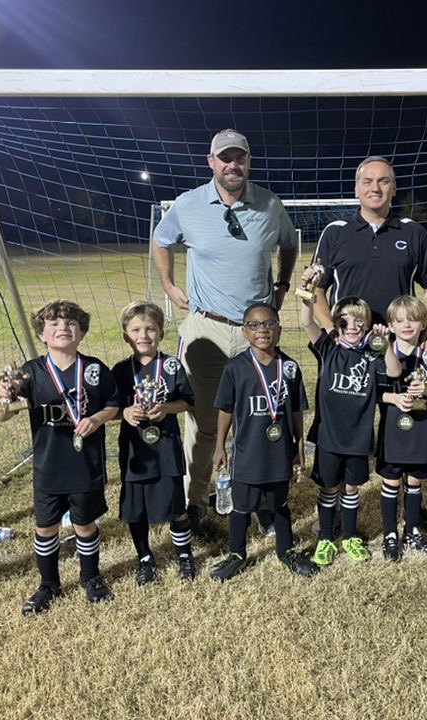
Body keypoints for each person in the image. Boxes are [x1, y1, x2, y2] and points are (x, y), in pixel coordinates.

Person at [152, 129, 298, 537]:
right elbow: (161, 240)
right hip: (207, 329)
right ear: (211, 162)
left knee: (262, 417)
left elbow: (289, 244)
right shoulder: (188, 204)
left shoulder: (270, 204)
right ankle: (194, 502)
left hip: (257, 332)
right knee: (202, 422)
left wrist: (282, 284)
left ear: (248, 161)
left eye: (240, 158)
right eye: (225, 158)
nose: (233, 165)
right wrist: (168, 284)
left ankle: (264, 502)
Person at [309, 155, 427, 533]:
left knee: (402, 424)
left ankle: (410, 506)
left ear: (393, 188)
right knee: (339, 425)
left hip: (394, 350)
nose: (375, 187)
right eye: (368, 181)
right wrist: (332, 331)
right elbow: (317, 289)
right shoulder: (335, 232)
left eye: (383, 181)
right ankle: (333, 509)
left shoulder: (413, 232)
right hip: (347, 350)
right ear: (356, 188)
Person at [0, 300, 120, 614]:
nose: (63, 328)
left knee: (84, 524)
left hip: (85, 465)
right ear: (42, 335)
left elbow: (113, 404)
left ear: (82, 332)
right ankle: (48, 584)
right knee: (46, 528)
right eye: (54, 324)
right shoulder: (30, 372)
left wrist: (97, 419)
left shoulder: (94, 369)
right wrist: (4, 398)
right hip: (49, 466)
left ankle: (91, 577)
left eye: (70, 323)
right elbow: (3, 415)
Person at [210, 302, 316, 581]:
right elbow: (225, 409)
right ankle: (237, 554)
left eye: (269, 324)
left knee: (279, 503)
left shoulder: (289, 368)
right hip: (248, 453)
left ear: (279, 330)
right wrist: (220, 446)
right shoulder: (235, 367)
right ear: (244, 332)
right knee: (242, 506)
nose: (262, 330)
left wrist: (299, 445)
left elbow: (296, 410)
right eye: (254, 325)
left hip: (279, 452)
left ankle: (286, 552)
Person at [298, 284, 401, 567]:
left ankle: (350, 536)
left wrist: (386, 345)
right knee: (329, 488)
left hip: (358, 437)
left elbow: (394, 372)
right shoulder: (328, 350)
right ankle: (325, 538)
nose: (352, 327)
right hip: (329, 436)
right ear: (336, 323)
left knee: (352, 489)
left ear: (367, 325)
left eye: (359, 322)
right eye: (344, 321)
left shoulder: (372, 355)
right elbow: (306, 321)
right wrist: (307, 290)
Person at [113, 301, 197, 585]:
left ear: (161, 333)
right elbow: (111, 408)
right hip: (135, 452)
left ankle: (184, 554)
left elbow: (187, 402)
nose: (144, 335)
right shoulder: (121, 370)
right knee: (136, 509)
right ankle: (145, 557)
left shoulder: (172, 366)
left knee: (176, 505)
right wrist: (125, 412)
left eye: (150, 329)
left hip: (166, 448)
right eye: (136, 330)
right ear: (126, 336)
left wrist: (167, 408)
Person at [376, 295, 427, 561]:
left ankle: (412, 530)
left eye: (413, 320)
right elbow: (373, 393)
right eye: (400, 320)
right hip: (392, 431)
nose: (407, 325)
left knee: (415, 481)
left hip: (420, 428)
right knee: (391, 481)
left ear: (424, 324)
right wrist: (394, 398)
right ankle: (389, 534)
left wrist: (425, 389)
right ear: (391, 326)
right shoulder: (382, 353)